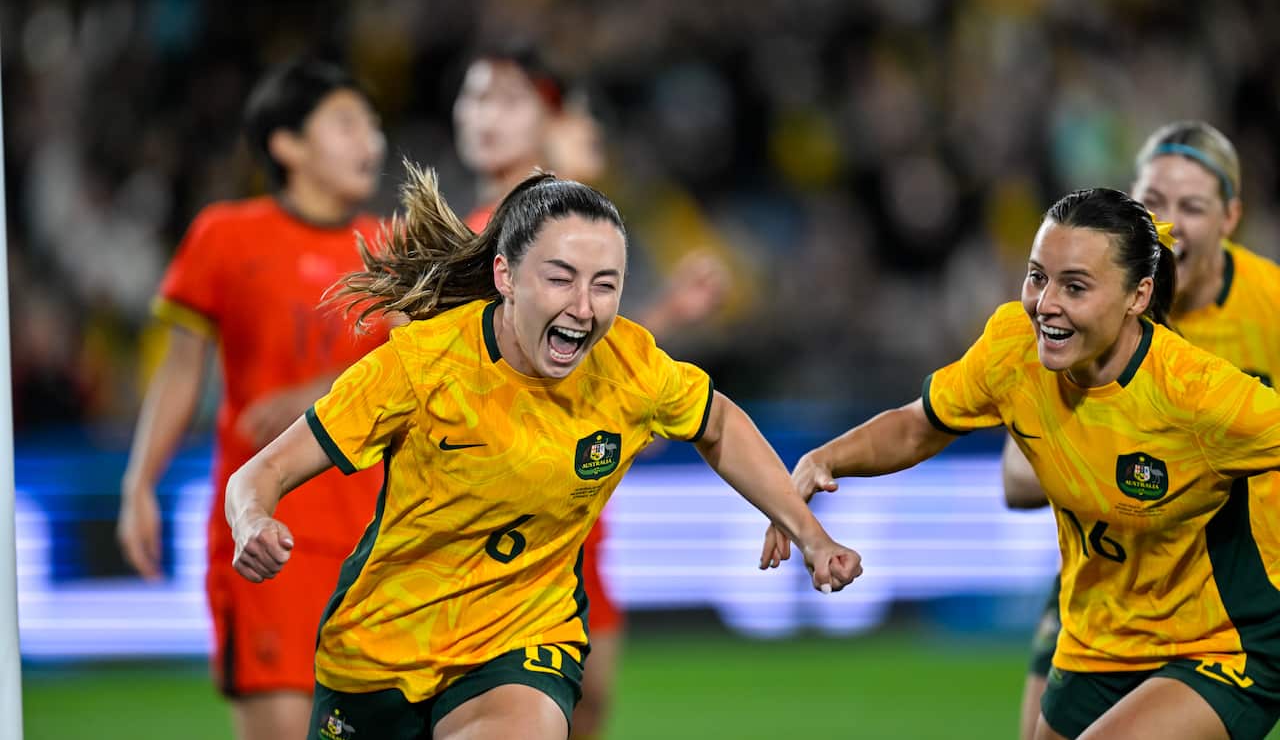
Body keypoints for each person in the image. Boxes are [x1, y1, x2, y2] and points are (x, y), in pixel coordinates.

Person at [224, 166, 859, 740]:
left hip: (524, 638)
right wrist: (252, 520)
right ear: (505, 276)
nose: (583, 308)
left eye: (605, 285)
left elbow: (717, 422)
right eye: (561, 279)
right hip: (378, 655)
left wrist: (810, 534)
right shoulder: (422, 366)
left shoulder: (629, 366)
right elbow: (263, 471)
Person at [764, 187, 1280, 739]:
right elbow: (917, 425)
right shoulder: (1014, 350)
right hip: (1100, 637)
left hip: (1222, 644)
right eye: (1037, 277)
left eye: (1075, 286)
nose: (1046, 304)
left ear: (1138, 296)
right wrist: (823, 459)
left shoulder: (1198, 395)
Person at [452, 45, 731, 738]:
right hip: (491, 519)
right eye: (476, 98)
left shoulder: (574, 235)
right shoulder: (471, 242)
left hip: (570, 504)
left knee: (588, 700)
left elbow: (580, 359)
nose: (484, 116)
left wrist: (664, 321)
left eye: (506, 99)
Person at [117, 59, 389, 740]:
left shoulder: (396, 251)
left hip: (377, 542)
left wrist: (324, 390)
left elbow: (423, 369)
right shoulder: (225, 235)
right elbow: (180, 371)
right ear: (286, 144)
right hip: (265, 537)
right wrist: (139, 483)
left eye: (374, 125)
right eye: (347, 123)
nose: (372, 141)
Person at [1003, 122, 1280, 740]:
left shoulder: (1270, 307)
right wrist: (1119, 458)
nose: (1169, 222)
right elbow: (1015, 476)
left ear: (1231, 216)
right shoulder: (1090, 309)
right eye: (1154, 200)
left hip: (1225, 593)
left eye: (1192, 206)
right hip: (1108, 577)